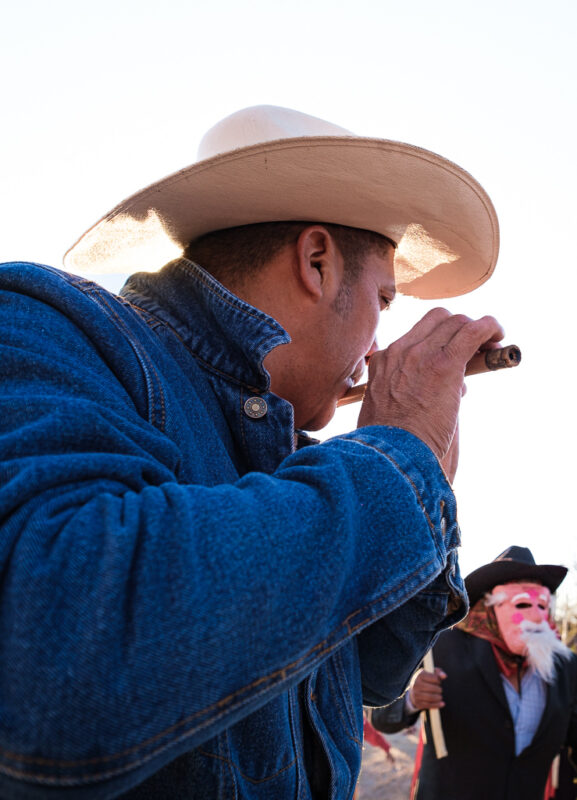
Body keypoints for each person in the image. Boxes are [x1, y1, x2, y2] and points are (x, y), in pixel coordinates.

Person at [0, 105, 505, 799]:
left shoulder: (288, 455)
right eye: (382, 302)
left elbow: (376, 668)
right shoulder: (48, 322)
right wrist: (396, 457)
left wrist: (425, 479)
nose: (375, 350)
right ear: (317, 261)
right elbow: (59, 664)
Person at [370, 546, 577, 800]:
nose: (535, 617)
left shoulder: (565, 668)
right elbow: (381, 717)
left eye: (542, 605)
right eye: (522, 603)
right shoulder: (440, 648)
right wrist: (413, 698)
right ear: (490, 608)